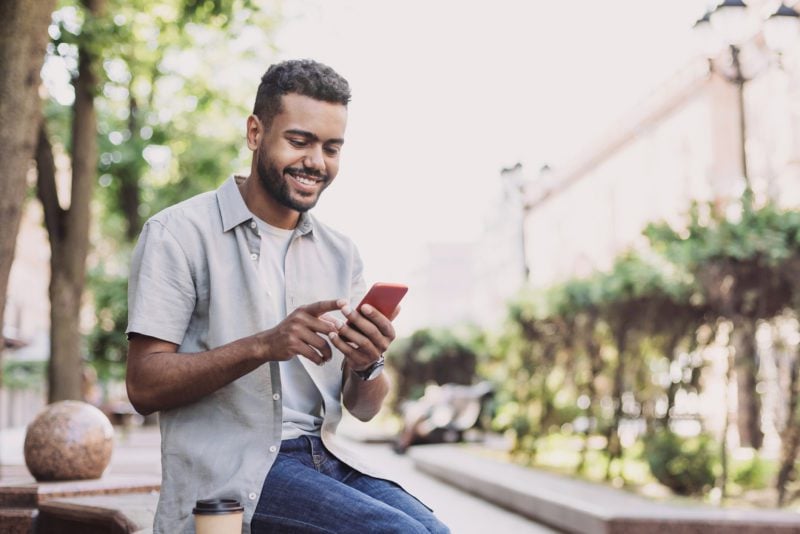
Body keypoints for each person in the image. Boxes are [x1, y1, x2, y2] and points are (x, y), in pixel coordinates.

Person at [126, 59, 450, 534]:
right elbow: (144, 386)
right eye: (299, 141)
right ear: (255, 133)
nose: (316, 162)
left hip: (327, 457)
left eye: (331, 147)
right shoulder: (178, 234)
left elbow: (364, 407)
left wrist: (368, 362)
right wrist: (265, 345)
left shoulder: (341, 253)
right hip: (233, 474)